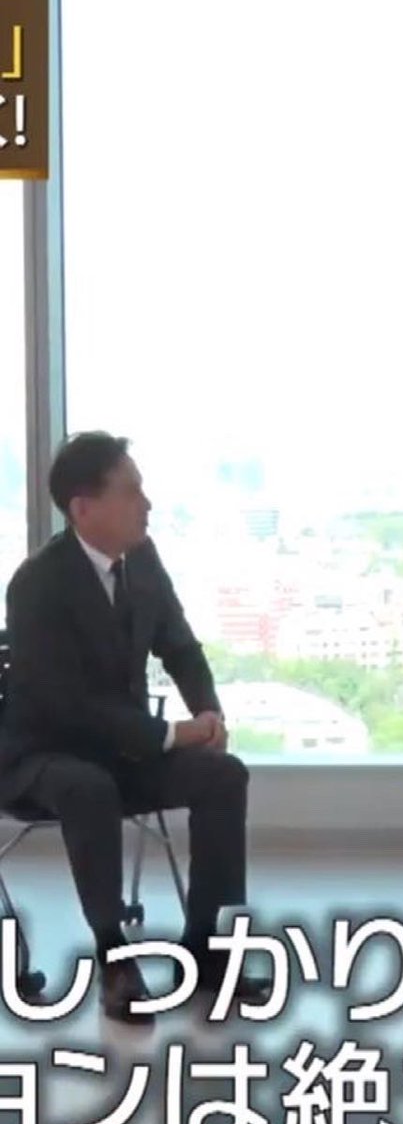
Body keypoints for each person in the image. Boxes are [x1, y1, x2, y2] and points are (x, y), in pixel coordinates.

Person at [0, 432, 264, 1023]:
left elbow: (181, 648)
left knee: (223, 775)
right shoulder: (37, 585)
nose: (147, 504)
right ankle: (115, 960)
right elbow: (67, 708)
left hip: (125, 751)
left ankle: (208, 952)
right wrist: (170, 735)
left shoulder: (141, 560)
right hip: (43, 757)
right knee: (87, 786)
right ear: (83, 508)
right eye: (131, 491)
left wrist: (210, 717)